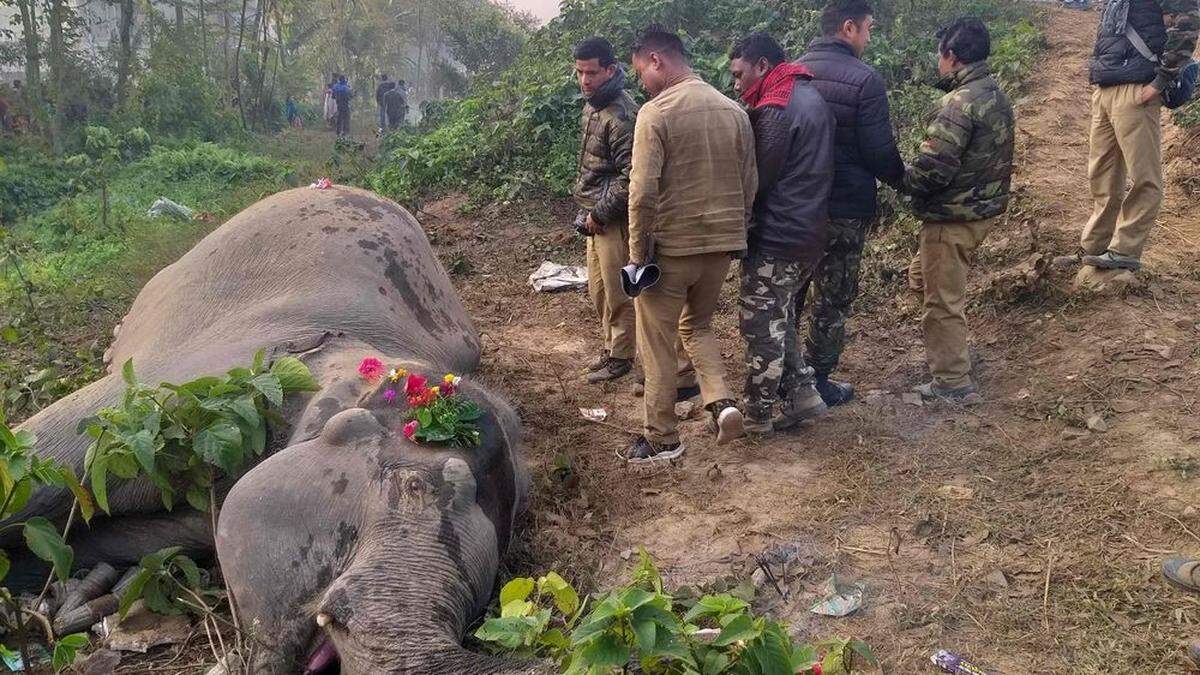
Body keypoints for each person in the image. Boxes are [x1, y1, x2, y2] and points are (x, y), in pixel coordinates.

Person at [620, 28, 757, 463]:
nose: (641, 80)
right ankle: (721, 403)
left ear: (656, 60)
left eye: (640, 69)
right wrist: (736, 233)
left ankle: (661, 438)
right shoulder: (734, 111)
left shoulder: (654, 113)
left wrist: (638, 257)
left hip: (671, 252)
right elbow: (749, 183)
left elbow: (641, 194)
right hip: (721, 247)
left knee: (656, 341)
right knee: (696, 326)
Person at [797, 0, 905, 408]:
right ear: (848, 28)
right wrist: (903, 181)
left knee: (790, 290)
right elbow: (879, 153)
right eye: (868, 29)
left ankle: (784, 374)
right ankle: (818, 379)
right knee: (832, 296)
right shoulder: (864, 80)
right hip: (844, 207)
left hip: (796, 207)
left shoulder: (790, 71)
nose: (869, 37)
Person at [903, 17, 1014, 403]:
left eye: (939, 55)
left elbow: (933, 170)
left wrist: (901, 179)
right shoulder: (993, 93)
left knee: (942, 300)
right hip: (979, 212)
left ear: (950, 56)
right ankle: (952, 347)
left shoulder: (958, 102)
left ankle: (952, 382)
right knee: (922, 278)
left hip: (951, 217)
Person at [729, 32, 835, 434]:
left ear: (763, 66)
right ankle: (805, 396)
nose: (737, 85)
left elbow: (760, 178)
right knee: (781, 317)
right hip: (810, 230)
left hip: (779, 235)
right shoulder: (811, 96)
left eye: (740, 75)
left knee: (760, 326)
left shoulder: (775, 108)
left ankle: (757, 415)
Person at [1067, 0, 1199, 272]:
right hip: (1106, 87)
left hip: (1137, 90)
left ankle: (1125, 250)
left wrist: (1160, 82)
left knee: (1144, 177)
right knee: (1102, 174)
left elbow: (1187, 24)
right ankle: (1094, 246)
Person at [571, 37, 639, 385]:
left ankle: (623, 356)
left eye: (592, 72)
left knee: (617, 291)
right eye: (580, 72)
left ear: (610, 70)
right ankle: (614, 347)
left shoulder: (621, 113)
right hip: (592, 215)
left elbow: (632, 176)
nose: (585, 80)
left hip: (611, 219)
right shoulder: (592, 105)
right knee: (598, 291)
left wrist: (600, 212)